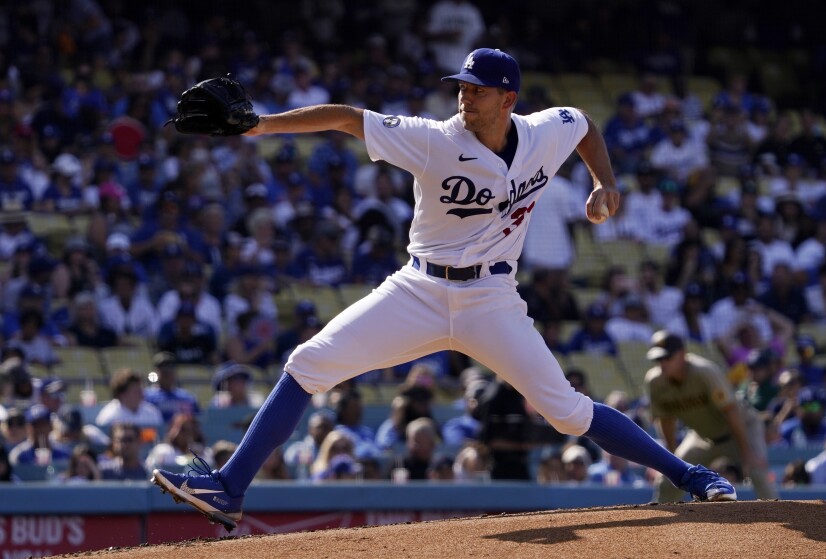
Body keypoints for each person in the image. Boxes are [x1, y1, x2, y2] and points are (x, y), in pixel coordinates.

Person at [152, 47, 737, 531]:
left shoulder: (541, 133)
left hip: (493, 300)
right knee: (307, 363)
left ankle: (692, 477)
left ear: (508, 99)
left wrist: (604, 182)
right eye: (461, 85)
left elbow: (584, 123)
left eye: (477, 89)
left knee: (565, 412)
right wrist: (261, 125)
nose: (464, 96)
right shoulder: (433, 138)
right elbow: (346, 118)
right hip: (419, 290)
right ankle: (229, 489)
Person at [644, 330, 777, 502]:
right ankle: (660, 525)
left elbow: (732, 412)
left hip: (741, 429)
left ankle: (783, 518)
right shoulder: (655, 381)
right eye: (658, 359)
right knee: (669, 477)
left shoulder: (704, 371)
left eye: (667, 357)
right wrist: (672, 457)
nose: (663, 363)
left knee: (757, 470)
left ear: (683, 354)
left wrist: (746, 453)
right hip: (702, 437)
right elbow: (666, 419)